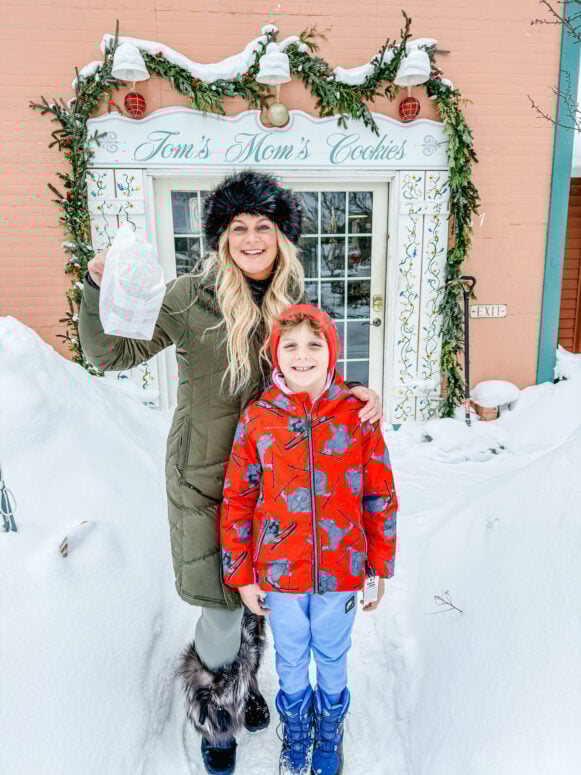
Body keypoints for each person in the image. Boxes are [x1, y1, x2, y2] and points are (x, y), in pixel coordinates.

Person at [77, 170, 383, 775]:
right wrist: (95, 284)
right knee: (221, 611)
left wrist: (357, 396)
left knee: (263, 600)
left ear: (281, 237)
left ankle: (246, 686)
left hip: (281, 487)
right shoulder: (190, 297)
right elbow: (109, 352)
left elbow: (311, 372)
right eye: (238, 227)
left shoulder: (294, 303)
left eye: (263, 227)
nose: (250, 238)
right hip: (204, 480)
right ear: (221, 237)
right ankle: (219, 716)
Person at [221, 304, 398, 775]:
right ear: (275, 355)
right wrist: (241, 575)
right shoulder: (258, 418)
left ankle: (330, 729)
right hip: (279, 573)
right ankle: (296, 730)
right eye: (291, 346)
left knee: (333, 653)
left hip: (341, 569)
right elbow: (238, 498)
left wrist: (380, 564)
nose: (303, 356)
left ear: (331, 353)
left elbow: (379, 491)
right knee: (292, 654)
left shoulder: (356, 414)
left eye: (314, 345)